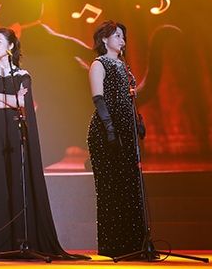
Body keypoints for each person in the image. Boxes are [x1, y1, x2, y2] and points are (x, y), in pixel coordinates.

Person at [0, 27, 79, 259]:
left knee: (16, 181)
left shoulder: (23, 75)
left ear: (11, 46)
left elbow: (23, 103)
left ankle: (17, 239)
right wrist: (10, 99)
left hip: (14, 132)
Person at [87, 21, 147, 257]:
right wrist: (110, 129)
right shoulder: (98, 64)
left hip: (126, 130)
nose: (122, 40)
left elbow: (129, 98)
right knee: (111, 188)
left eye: (123, 36)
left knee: (130, 187)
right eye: (117, 35)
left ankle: (134, 244)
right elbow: (98, 98)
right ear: (105, 39)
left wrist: (138, 120)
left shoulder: (124, 66)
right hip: (106, 132)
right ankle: (114, 245)